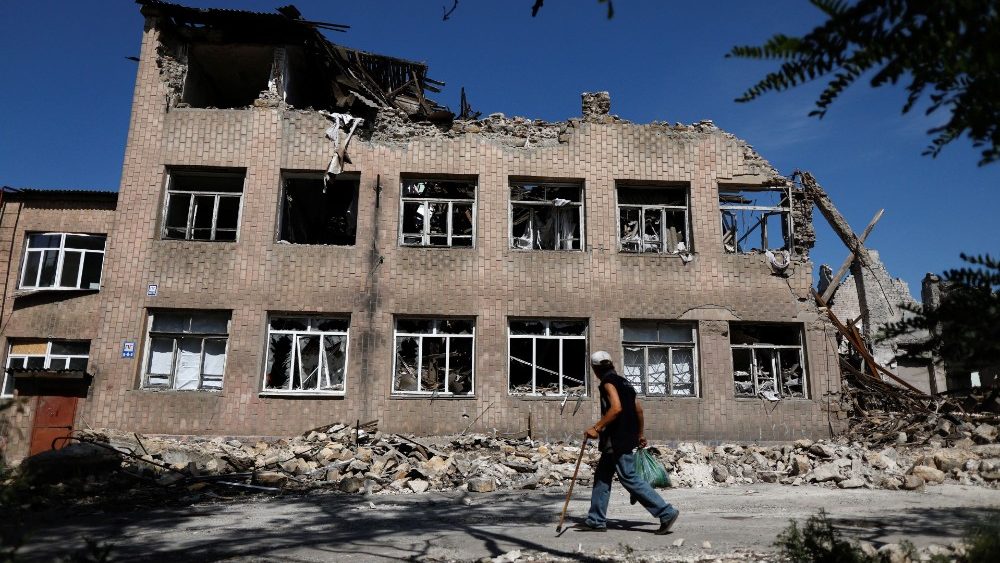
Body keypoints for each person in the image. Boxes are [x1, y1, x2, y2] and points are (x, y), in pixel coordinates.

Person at [575, 350, 679, 534]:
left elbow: (616, 408)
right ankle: (596, 519)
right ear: (612, 364)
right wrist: (639, 434)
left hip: (616, 438)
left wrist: (596, 428)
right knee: (602, 477)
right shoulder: (626, 383)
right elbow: (638, 410)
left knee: (628, 476)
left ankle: (666, 512)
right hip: (625, 437)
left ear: (594, 368)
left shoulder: (607, 383)